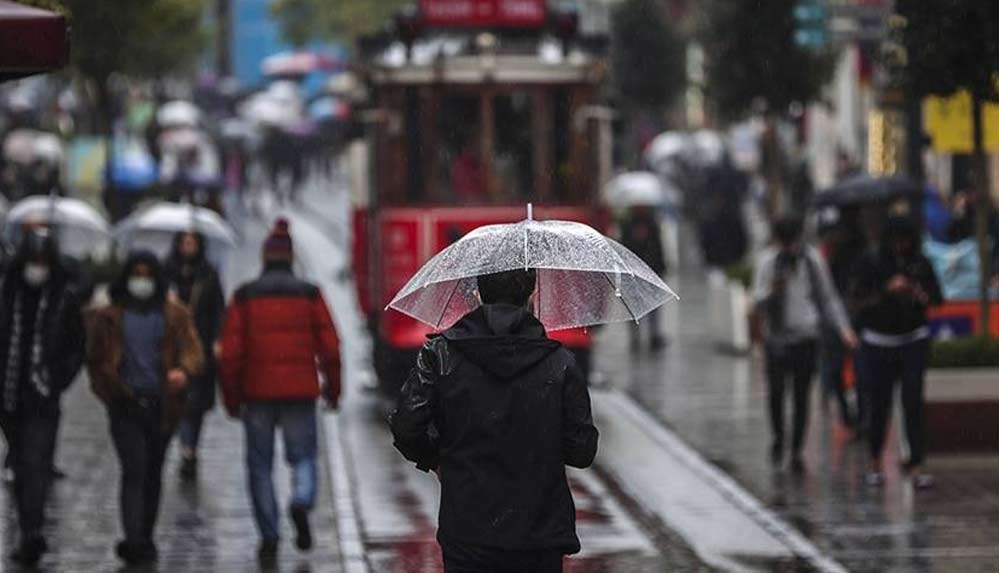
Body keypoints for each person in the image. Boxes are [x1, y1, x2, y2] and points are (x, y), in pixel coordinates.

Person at [390, 268, 599, 573]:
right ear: (531, 295)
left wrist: (437, 459)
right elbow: (582, 450)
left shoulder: (441, 355)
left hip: (467, 531)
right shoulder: (559, 364)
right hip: (538, 535)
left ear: (477, 294)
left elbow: (407, 427)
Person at [219, 218, 341, 564]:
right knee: (303, 456)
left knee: (259, 466)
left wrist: (231, 398)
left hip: (256, 395)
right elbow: (331, 348)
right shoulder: (310, 293)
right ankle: (301, 500)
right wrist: (333, 389)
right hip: (301, 391)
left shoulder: (244, 297)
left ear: (264, 258)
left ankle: (269, 535)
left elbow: (230, 355)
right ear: (290, 258)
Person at [85, 250, 204, 565]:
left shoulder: (173, 314)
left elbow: (194, 351)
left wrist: (183, 371)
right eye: (136, 274)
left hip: (162, 406)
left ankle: (145, 536)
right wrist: (108, 390)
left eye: (147, 274)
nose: (142, 281)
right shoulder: (110, 316)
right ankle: (134, 540)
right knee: (134, 470)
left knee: (152, 472)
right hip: (124, 405)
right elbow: (95, 360)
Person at [0, 229, 84, 566]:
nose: (37, 268)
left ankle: (32, 532)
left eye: (43, 261)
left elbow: (76, 347)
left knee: (36, 464)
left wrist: (56, 379)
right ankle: (27, 525)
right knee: (21, 464)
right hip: (8, 396)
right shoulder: (7, 293)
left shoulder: (63, 299)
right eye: (33, 261)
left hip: (42, 397)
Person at [752, 217, 858, 473]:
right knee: (776, 394)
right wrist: (772, 291)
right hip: (776, 338)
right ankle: (779, 439)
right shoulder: (768, 262)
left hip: (805, 338)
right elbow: (757, 300)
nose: (789, 248)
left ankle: (796, 449)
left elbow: (828, 297)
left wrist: (844, 329)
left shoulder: (812, 262)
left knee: (801, 396)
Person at [849, 216, 943, 489]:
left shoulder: (920, 263)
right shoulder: (871, 262)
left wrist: (917, 291)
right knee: (879, 404)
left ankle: (916, 464)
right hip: (879, 342)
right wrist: (886, 291)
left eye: (906, 241)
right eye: (897, 241)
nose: (901, 246)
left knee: (913, 402)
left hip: (913, 339)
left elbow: (937, 298)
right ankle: (875, 462)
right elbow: (857, 300)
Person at [164, 231, 226, 482]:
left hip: (199, 346)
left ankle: (190, 449)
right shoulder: (166, 271)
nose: (188, 246)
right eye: (184, 242)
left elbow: (218, 309)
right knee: (178, 399)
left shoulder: (208, 273)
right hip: (171, 347)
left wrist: (217, 339)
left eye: (193, 242)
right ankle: (185, 447)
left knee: (195, 403)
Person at [817, 210, 866, 431]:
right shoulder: (824, 257)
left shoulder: (858, 252)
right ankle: (846, 413)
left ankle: (861, 414)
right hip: (832, 321)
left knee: (860, 368)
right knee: (835, 367)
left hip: (855, 316)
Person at [620, 206, 669, 350]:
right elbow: (625, 247)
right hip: (633, 271)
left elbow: (657, 247)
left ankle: (654, 335)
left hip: (651, 270)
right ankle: (635, 337)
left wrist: (661, 267)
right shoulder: (628, 224)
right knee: (634, 306)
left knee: (653, 306)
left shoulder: (652, 223)